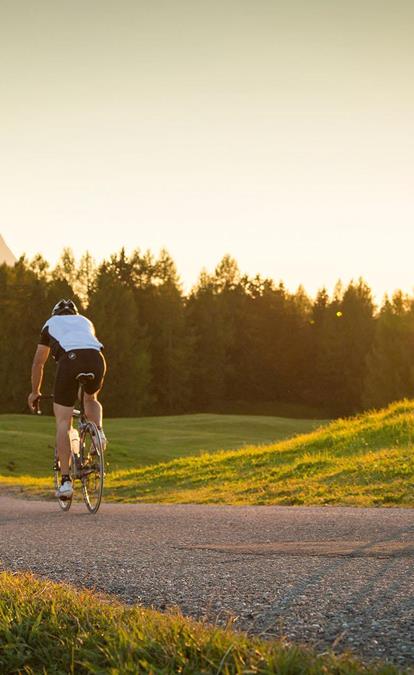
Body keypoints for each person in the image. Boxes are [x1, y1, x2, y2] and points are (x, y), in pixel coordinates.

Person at [28, 299, 107, 499]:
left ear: (55, 313)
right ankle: (98, 432)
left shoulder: (50, 324)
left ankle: (65, 482)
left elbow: (39, 363)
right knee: (90, 398)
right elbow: (86, 344)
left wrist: (35, 391)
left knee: (64, 421)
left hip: (70, 361)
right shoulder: (85, 321)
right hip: (97, 359)